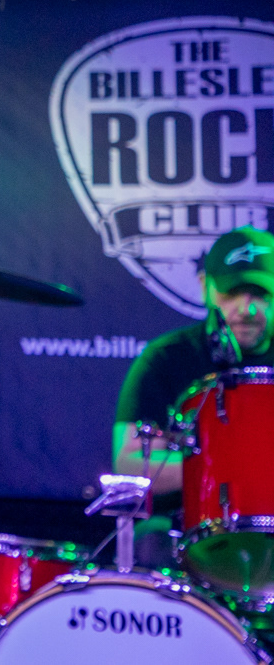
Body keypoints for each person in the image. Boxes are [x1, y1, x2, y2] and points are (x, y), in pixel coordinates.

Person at [113, 226, 274, 562]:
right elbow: (128, 462)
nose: (247, 308)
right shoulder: (166, 358)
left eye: (260, 294)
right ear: (205, 287)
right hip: (189, 532)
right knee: (149, 541)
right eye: (232, 292)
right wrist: (227, 470)